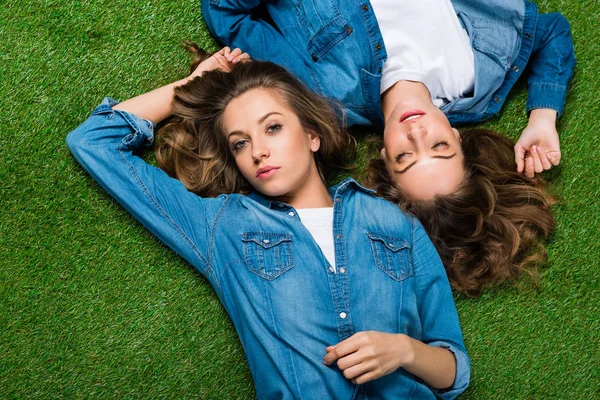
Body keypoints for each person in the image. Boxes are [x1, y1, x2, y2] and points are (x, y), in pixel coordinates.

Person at [66, 47, 470, 399]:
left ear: (311, 135)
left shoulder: (396, 224)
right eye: (240, 143)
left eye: (273, 127)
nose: (259, 151)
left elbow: (454, 369)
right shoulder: (223, 227)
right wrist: (192, 85)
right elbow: (93, 141)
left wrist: (404, 351)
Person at [202, 0, 575, 296]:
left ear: (383, 157)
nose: (415, 132)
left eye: (405, 157)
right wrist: (542, 119)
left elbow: (225, 12)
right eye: (439, 145)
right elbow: (549, 32)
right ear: (459, 137)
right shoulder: (480, 77)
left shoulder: (319, 91)